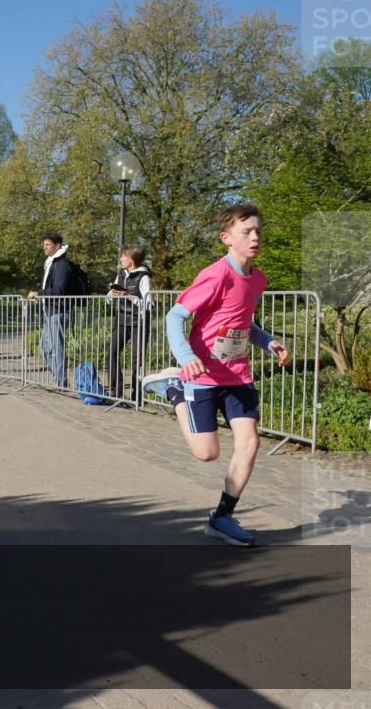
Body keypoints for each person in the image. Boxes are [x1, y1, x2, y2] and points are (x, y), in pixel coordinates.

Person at [142, 204, 289, 547]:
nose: (255, 237)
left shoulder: (258, 279)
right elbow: (174, 317)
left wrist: (269, 342)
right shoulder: (215, 275)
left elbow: (243, 324)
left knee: (249, 443)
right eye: (246, 232)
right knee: (206, 453)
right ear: (227, 239)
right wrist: (187, 357)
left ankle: (222, 517)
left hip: (237, 375)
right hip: (202, 376)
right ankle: (173, 389)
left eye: (258, 231)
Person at [27, 233, 75, 389]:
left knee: (56, 348)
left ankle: (60, 382)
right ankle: (59, 380)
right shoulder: (51, 263)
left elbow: (59, 290)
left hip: (59, 311)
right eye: (44, 244)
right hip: (50, 311)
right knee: (44, 347)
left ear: (57, 245)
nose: (44, 247)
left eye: (47, 244)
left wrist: (39, 294)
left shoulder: (62, 265)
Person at [106, 246, 152, 403]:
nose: (120, 260)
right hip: (121, 319)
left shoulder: (144, 277)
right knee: (110, 352)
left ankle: (137, 396)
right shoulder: (121, 274)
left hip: (138, 321)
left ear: (131, 260)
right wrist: (112, 293)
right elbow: (108, 299)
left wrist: (128, 295)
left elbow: (148, 304)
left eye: (123, 257)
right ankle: (115, 391)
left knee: (136, 359)